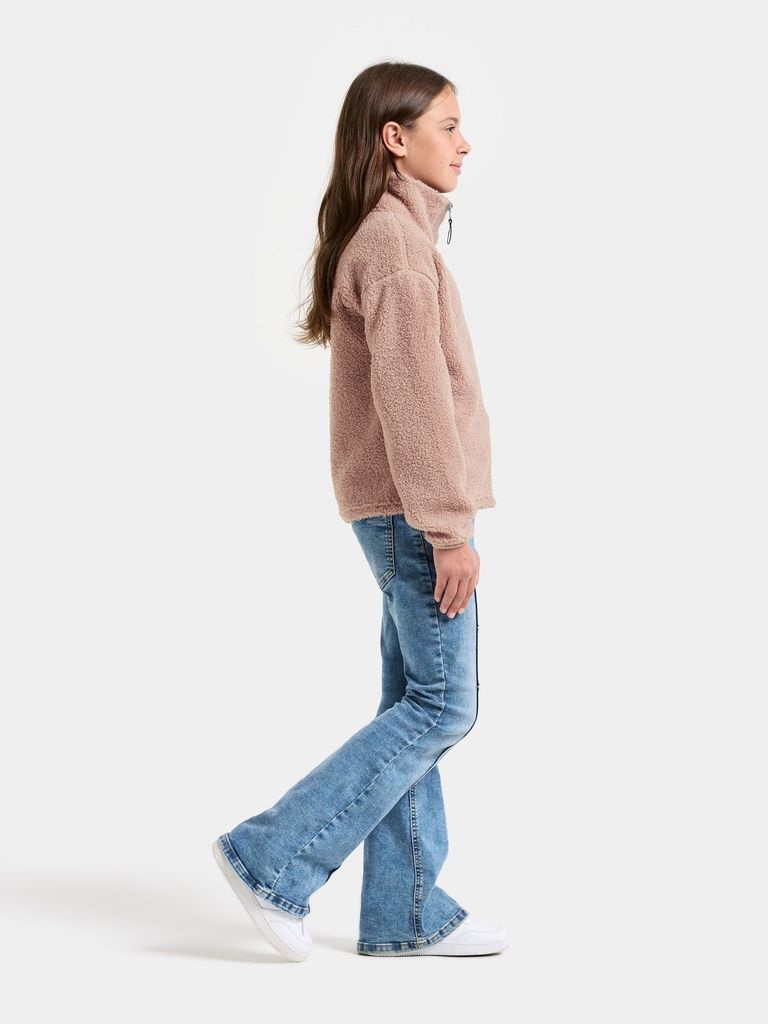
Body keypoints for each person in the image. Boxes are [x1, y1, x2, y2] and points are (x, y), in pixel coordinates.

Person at [212, 61, 509, 960]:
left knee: (411, 700)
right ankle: (272, 857)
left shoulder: (396, 240)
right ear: (395, 138)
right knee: (442, 707)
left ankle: (405, 911)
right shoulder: (395, 248)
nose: (464, 143)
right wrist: (449, 530)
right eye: (448, 126)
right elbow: (414, 401)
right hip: (415, 516)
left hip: (398, 510)